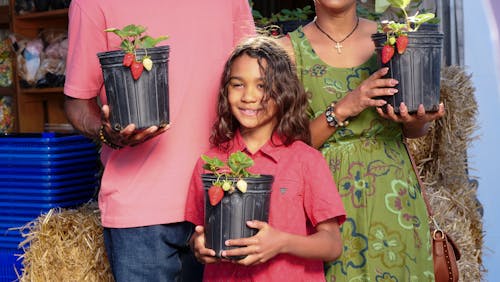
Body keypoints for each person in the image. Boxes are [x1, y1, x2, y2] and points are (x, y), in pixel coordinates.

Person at [63, 0, 255, 281]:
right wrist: (108, 132)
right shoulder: (91, 3)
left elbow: (255, 78)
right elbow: (76, 101)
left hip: (221, 199)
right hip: (140, 212)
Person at [277, 0, 445, 281]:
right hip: (327, 206)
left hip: (394, 197)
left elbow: (414, 132)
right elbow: (286, 150)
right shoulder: (288, 51)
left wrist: (417, 118)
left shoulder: (391, 37)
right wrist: (344, 107)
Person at [184, 36, 346, 282]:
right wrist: (199, 245)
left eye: (262, 86)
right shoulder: (210, 162)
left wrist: (281, 242)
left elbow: (332, 244)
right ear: (225, 90)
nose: (249, 96)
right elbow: (197, 233)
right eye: (238, 84)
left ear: (284, 92)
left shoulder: (305, 160)